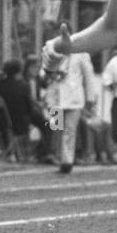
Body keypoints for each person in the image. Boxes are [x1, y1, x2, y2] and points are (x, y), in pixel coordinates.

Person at [41, 45, 94, 174]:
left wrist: (90, 98)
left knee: (70, 130)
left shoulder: (81, 55)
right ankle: (58, 157)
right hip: (55, 99)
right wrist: (51, 73)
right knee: (56, 129)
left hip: (74, 100)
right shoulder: (52, 52)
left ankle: (67, 162)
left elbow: (88, 76)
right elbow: (42, 74)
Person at [0, 59, 38, 160]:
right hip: (24, 122)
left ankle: (48, 152)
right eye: (34, 67)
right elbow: (30, 107)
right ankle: (49, 153)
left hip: (3, 122)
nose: (37, 70)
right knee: (49, 124)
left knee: (55, 124)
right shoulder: (24, 85)